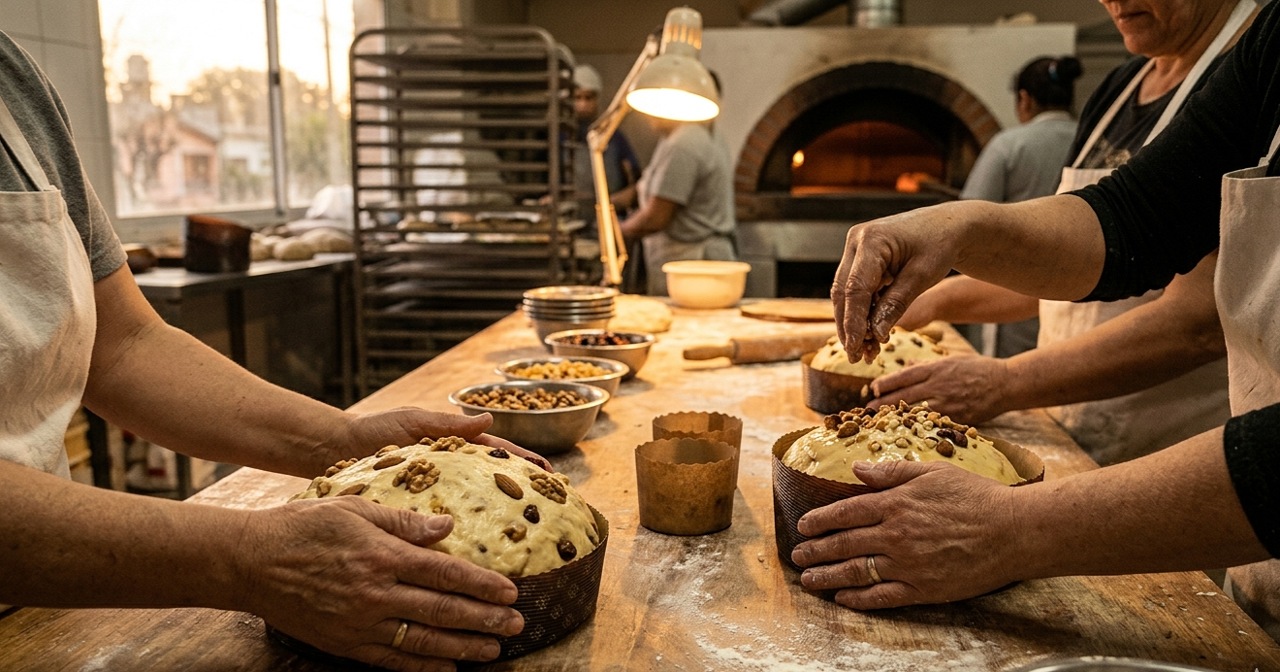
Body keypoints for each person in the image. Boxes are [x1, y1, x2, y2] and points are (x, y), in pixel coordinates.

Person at [0, 31, 552, 671]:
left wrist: (347, 442)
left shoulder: (16, 81)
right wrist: (245, 560)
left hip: (49, 598)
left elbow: (122, 344)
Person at [814, 0, 1280, 641]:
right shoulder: (1267, 48)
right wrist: (959, 230)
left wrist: (1009, 523)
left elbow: (1194, 320)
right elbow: (1129, 222)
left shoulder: (1236, 47)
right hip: (1244, 549)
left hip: (1184, 476)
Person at [874, 0, 1256, 466]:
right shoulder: (1120, 87)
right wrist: (934, 298)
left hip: (1167, 448)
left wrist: (1004, 382)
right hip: (1061, 424)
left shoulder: (1246, 83)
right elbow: (1077, 267)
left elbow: (1197, 323)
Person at [955, 55, 1083, 359]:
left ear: (1024, 99)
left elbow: (965, 218)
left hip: (1011, 294)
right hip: (1078, 291)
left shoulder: (1009, 144)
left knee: (1011, 373)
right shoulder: (1092, 141)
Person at [619, 72, 737, 297]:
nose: (648, 113)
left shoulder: (685, 143)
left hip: (693, 268)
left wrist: (616, 232)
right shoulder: (682, 137)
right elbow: (649, 186)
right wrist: (606, 202)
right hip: (691, 263)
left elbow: (656, 217)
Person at [571, 64, 641, 226]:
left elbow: (637, 183)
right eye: (577, 98)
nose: (583, 105)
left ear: (597, 99)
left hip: (610, 221)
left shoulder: (614, 138)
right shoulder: (561, 140)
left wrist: (615, 201)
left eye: (588, 98)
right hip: (573, 222)